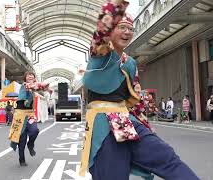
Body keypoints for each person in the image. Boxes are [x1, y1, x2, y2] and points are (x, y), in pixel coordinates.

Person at [79, 1, 199, 179]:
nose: (127, 32)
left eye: (130, 28)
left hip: (123, 119)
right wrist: (116, 8)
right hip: (103, 123)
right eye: (121, 27)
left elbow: (133, 100)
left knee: (165, 156)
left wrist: (146, 125)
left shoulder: (130, 63)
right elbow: (99, 35)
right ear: (111, 30)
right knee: (114, 174)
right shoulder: (101, 52)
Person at [8, 71, 51, 166]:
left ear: (34, 78)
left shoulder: (34, 90)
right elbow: (39, 86)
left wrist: (48, 89)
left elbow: (42, 89)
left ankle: (30, 144)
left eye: (32, 75)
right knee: (22, 140)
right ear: (25, 78)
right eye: (28, 75)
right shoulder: (25, 85)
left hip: (29, 114)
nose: (30, 76)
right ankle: (22, 159)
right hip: (20, 115)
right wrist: (44, 86)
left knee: (35, 130)